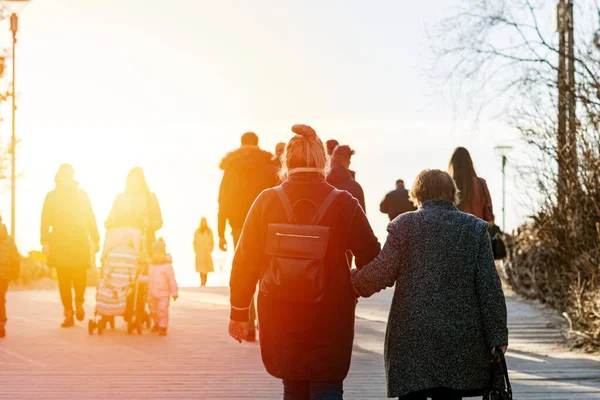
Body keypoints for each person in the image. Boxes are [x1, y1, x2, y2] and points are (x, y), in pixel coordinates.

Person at [229, 124, 381, 400]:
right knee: (327, 385)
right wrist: (353, 287)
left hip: (279, 310)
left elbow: (244, 260)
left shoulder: (267, 200)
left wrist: (239, 313)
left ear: (287, 161)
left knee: (294, 384)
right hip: (331, 312)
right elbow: (371, 256)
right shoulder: (343, 202)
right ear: (323, 161)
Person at [351, 169, 508, 400]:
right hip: (459, 339)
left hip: (411, 338)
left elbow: (380, 273)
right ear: (452, 193)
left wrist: (349, 282)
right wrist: (497, 337)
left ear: (417, 193)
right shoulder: (474, 229)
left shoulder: (404, 225)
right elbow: (489, 288)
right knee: (450, 395)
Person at [218, 131, 279, 340]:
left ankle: (249, 322)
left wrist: (220, 234)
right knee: (267, 272)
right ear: (257, 143)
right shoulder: (268, 165)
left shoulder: (232, 167)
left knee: (245, 270)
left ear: (241, 143)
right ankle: (268, 321)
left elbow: (222, 201)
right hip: (267, 225)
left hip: (239, 226)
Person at [41, 164, 100, 328]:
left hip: (79, 239)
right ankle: (68, 312)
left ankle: (79, 301)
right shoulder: (51, 196)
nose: (67, 177)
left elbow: (90, 216)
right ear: (58, 176)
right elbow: (45, 219)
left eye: (70, 174)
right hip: (59, 241)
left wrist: (95, 238)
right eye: (64, 174)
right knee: (64, 278)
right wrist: (44, 241)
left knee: (80, 274)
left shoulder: (82, 195)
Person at [105, 167, 163, 253]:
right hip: (121, 249)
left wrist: (148, 224)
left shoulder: (150, 198)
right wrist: (110, 222)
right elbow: (110, 219)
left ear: (142, 181)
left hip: (145, 247)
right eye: (131, 179)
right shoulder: (120, 198)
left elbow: (159, 221)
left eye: (137, 179)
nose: (134, 182)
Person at [448, 147, 495, 225]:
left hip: (453, 233)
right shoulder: (480, 184)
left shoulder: (447, 185)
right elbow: (489, 217)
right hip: (477, 232)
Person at [148, 238, 178, 336]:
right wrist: (140, 279)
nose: (157, 256)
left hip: (163, 294)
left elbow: (172, 280)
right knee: (152, 309)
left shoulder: (167, 267)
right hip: (152, 293)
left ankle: (163, 327)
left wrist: (174, 292)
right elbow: (149, 278)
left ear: (163, 253)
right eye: (155, 253)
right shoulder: (151, 266)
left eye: (159, 253)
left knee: (162, 309)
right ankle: (156, 323)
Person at [327, 145, 366, 212]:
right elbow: (361, 221)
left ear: (332, 159)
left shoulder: (321, 181)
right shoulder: (355, 187)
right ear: (348, 161)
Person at [0, 220, 20, 338]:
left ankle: (1, 323)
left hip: (3, 275)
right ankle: (1, 323)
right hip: (4, 275)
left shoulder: (9, 240)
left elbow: (15, 259)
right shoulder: (9, 240)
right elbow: (15, 259)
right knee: (0, 298)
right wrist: (15, 273)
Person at [194, 217, 215, 287]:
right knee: (200, 268)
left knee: (206, 267)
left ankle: (205, 281)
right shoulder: (197, 231)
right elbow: (194, 242)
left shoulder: (209, 231)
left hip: (206, 251)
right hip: (199, 251)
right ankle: (202, 281)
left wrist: (210, 249)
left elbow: (212, 242)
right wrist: (196, 250)